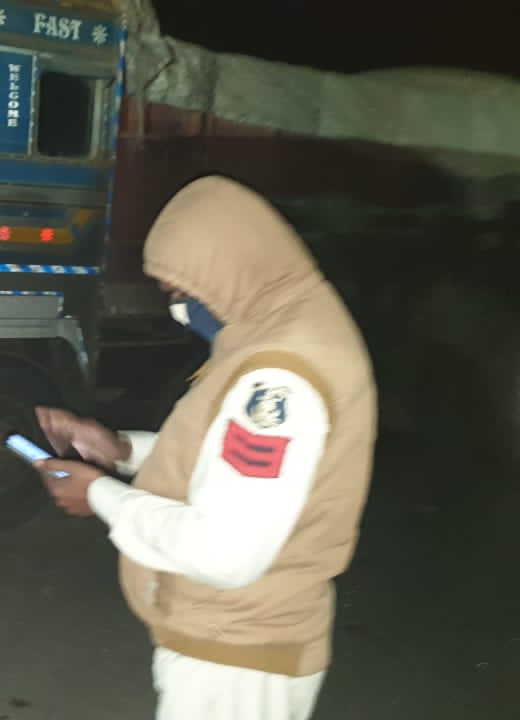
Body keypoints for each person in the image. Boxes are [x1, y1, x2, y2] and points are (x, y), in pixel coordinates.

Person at [34, 176, 377, 720]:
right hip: (237, 646)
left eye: (180, 293)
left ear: (226, 268)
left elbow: (225, 552)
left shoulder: (279, 380)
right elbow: (225, 470)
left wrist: (98, 494)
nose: (179, 311)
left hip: (236, 663)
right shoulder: (285, 327)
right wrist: (119, 450)